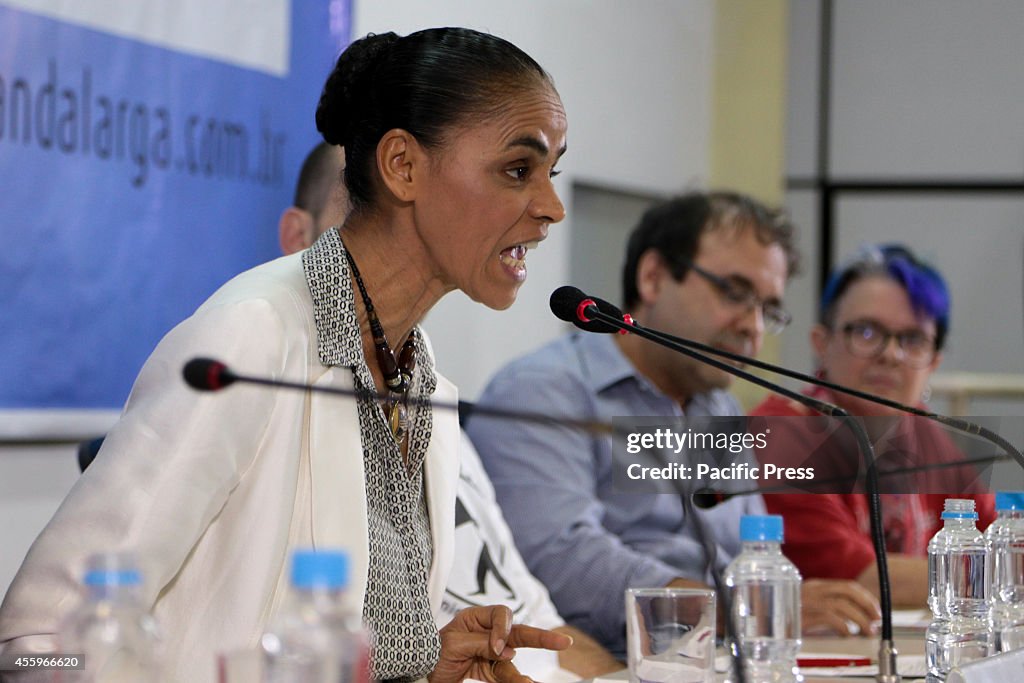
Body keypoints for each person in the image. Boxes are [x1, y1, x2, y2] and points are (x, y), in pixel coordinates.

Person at [0, 28, 572, 683]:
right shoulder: (251, 340)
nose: (552, 207)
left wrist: (421, 661)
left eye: (550, 172)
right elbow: (33, 644)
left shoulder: (422, 382)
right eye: (518, 169)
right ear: (403, 166)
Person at [466, 192, 882, 657]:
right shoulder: (544, 391)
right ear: (653, 277)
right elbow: (557, 557)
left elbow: (753, 553)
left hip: (725, 658)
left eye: (768, 308)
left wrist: (769, 606)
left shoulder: (719, 410)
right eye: (736, 293)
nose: (754, 327)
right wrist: (733, 608)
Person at [277, 142, 621, 679]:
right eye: (361, 217)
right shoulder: (265, 372)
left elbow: (542, 624)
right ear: (299, 237)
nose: (550, 206)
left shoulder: (430, 393)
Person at [751, 243, 995, 608]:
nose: (891, 354)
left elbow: (994, 533)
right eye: (866, 332)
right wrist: (1002, 569)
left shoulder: (922, 428)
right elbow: (863, 580)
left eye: (913, 340)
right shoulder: (782, 432)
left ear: (933, 361)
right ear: (822, 343)